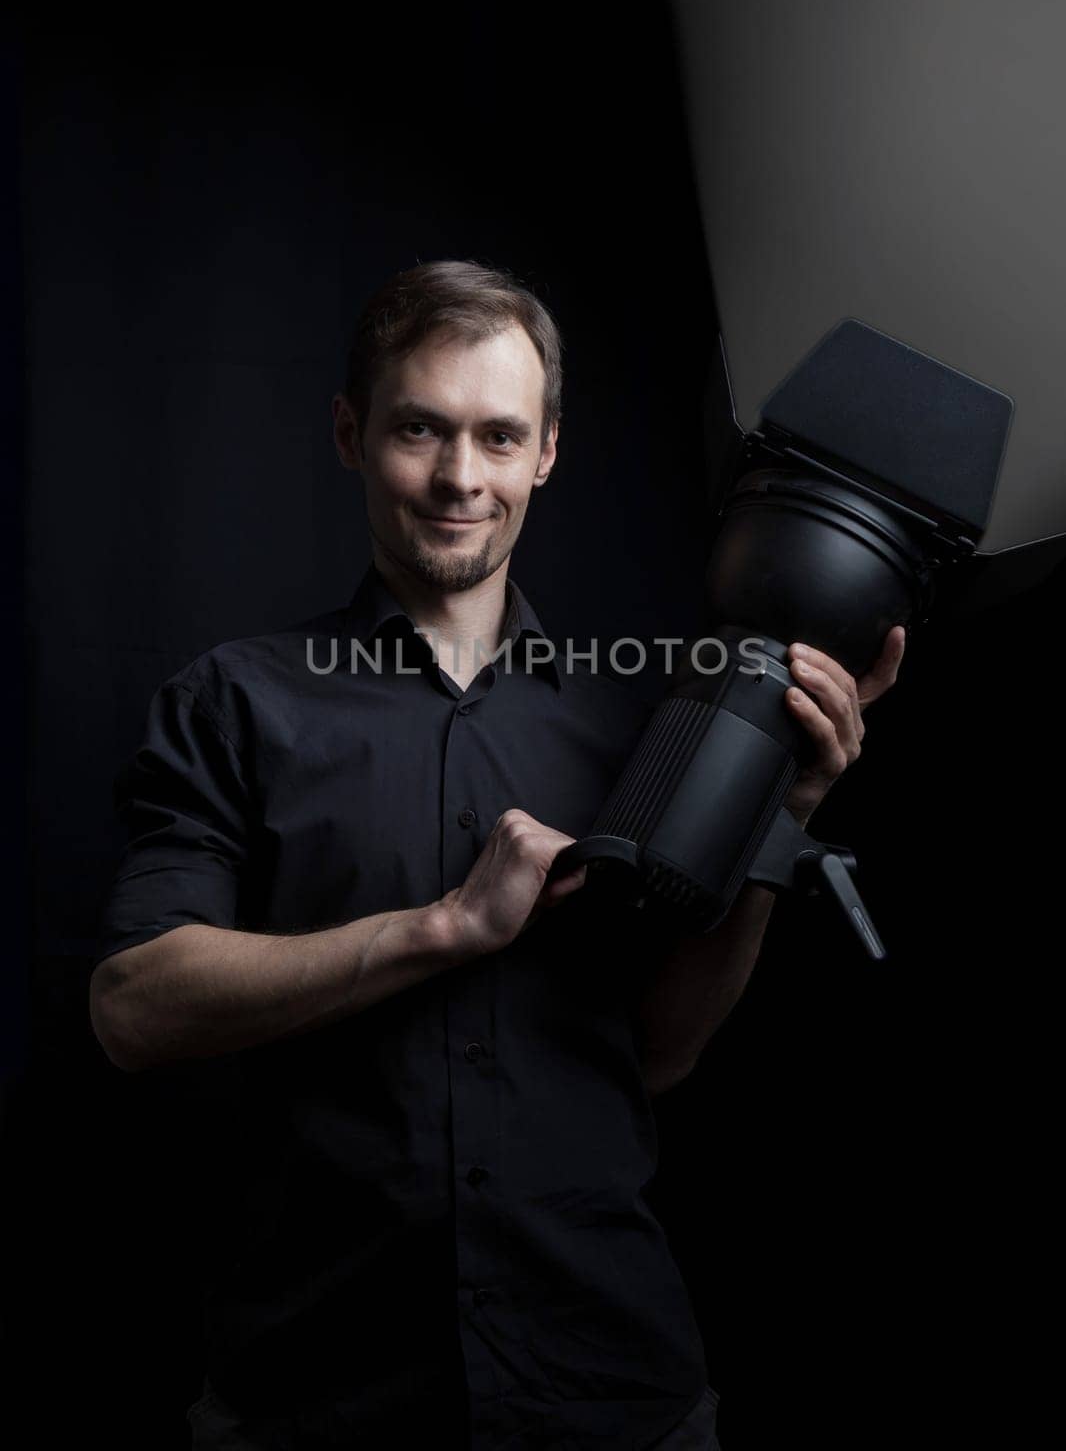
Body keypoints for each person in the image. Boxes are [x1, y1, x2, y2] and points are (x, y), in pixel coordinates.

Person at [89, 260, 904, 1450]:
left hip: (610, 1392)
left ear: (548, 451)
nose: (461, 478)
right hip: (315, 1397)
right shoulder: (235, 703)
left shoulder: (642, 722)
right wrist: (443, 929)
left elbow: (660, 1056)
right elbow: (134, 1007)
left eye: (498, 435)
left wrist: (780, 812)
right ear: (350, 432)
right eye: (420, 428)